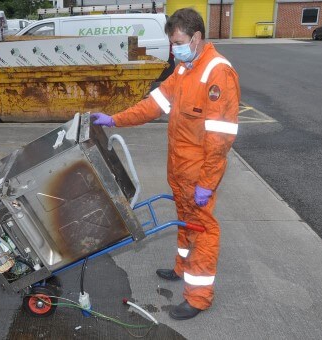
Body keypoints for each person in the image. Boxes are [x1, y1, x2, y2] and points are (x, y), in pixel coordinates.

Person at [91, 8, 240, 320]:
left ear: (197, 38)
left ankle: (198, 296)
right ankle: (182, 267)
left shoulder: (217, 73)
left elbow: (220, 138)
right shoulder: (185, 70)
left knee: (203, 228)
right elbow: (153, 105)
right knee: (185, 219)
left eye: (179, 42)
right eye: (172, 43)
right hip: (180, 169)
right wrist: (115, 119)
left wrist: (207, 183)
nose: (175, 49)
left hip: (200, 172)